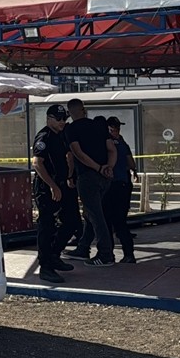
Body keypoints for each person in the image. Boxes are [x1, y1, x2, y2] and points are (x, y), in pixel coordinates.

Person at [63, 99, 117, 266]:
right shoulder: (99, 126)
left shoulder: (71, 129)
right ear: (84, 109)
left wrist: (97, 167)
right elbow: (112, 149)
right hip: (105, 178)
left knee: (95, 215)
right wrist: (109, 167)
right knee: (90, 213)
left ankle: (105, 254)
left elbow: (77, 154)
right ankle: (83, 247)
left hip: (87, 176)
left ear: (69, 113)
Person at [31, 104, 80, 283]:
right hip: (47, 186)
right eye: (58, 119)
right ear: (49, 119)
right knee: (47, 225)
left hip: (63, 183)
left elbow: (69, 155)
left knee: (73, 221)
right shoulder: (45, 136)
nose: (62, 122)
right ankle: (46, 266)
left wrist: (69, 176)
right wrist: (52, 186)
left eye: (64, 119)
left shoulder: (62, 134)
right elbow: (37, 163)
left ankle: (54, 255)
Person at [104, 116, 137, 263]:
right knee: (120, 221)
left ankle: (108, 254)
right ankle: (129, 253)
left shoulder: (106, 144)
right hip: (124, 185)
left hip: (111, 186)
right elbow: (132, 164)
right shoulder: (123, 144)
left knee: (108, 221)